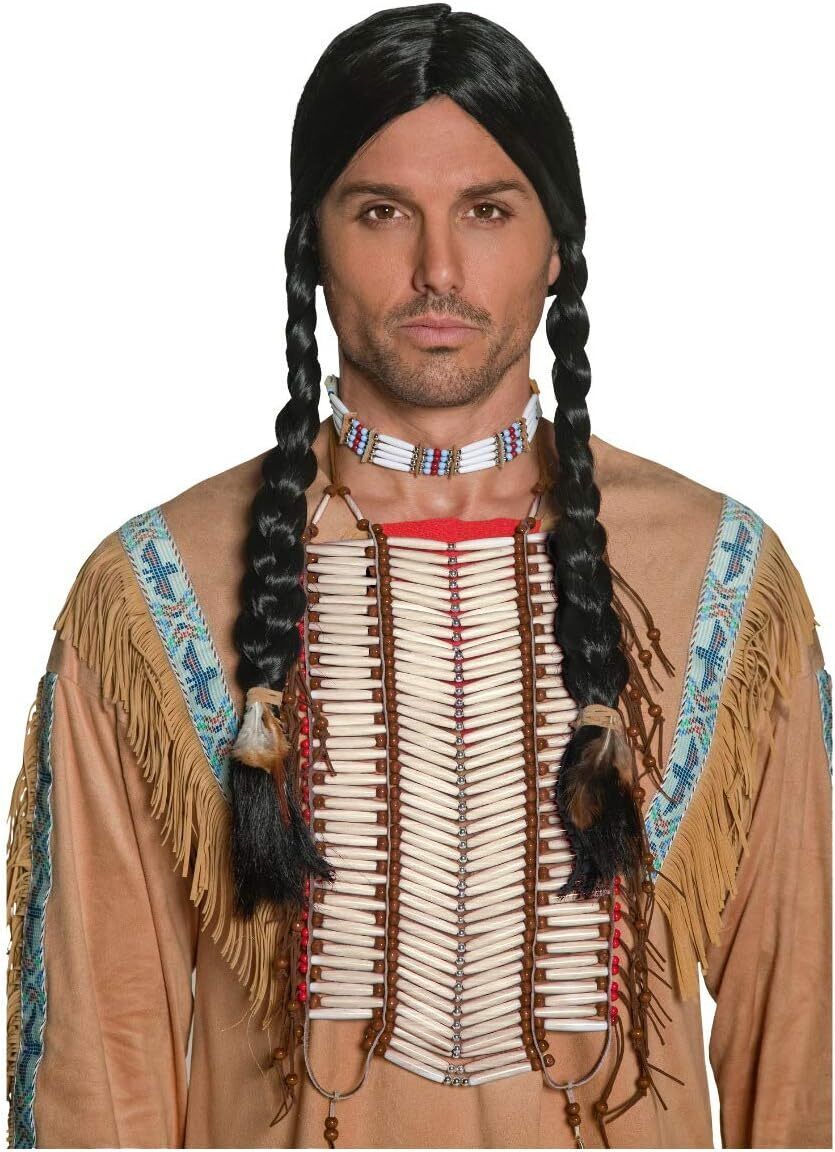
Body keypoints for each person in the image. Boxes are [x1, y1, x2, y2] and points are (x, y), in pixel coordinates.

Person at [6, 4, 832, 1148]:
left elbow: (803, 1036)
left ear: (556, 247)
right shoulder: (158, 585)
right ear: (311, 245)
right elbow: (101, 1056)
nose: (437, 269)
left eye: (487, 211)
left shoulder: (717, 575)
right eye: (381, 212)